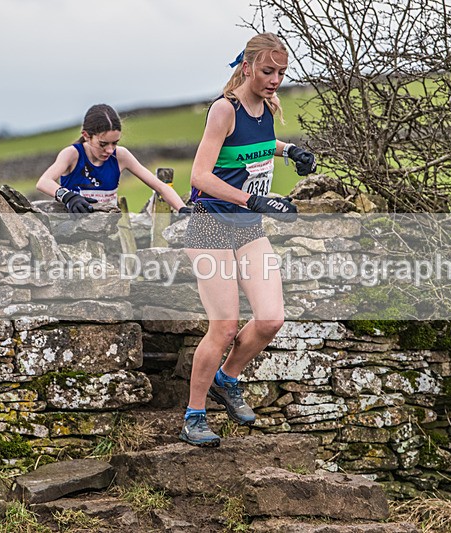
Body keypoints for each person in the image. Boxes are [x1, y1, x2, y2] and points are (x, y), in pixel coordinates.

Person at [179, 33, 317, 447]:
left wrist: (290, 151)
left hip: (247, 229)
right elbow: (199, 177)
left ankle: (228, 378)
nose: (275, 80)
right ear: (247, 67)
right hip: (210, 226)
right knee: (223, 328)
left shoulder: (267, 107)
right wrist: (254, 199)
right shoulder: (224, 109)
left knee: (272, 318)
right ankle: (194, 416)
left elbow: (254, 145)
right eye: (267, 71)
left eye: (281, 73)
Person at [36, 104, 190, 214]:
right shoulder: (72, 154)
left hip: (109, 234)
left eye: (114, 143)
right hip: (74, 233)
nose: (110, 150)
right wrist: (68, 197)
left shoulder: (121, 155)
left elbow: (160, 186)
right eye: (103, 144)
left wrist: (182, 209)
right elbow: (44, 182)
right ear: (86, 136)